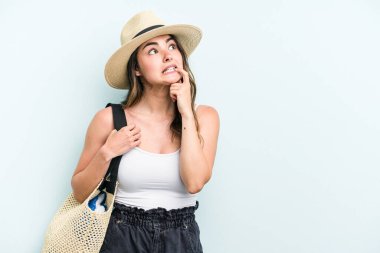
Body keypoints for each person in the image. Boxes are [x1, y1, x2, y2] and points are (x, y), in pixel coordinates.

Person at [70, 10, 220, 253]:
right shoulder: (110, 119)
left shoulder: (204, 117)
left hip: (180, 238)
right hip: (122, 235)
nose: (167, 55)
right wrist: (107, 152)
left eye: (172, 46)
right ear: (136, 69)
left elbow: (194, 183)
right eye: (153, 50)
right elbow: (79, 192)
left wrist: (186, 112)